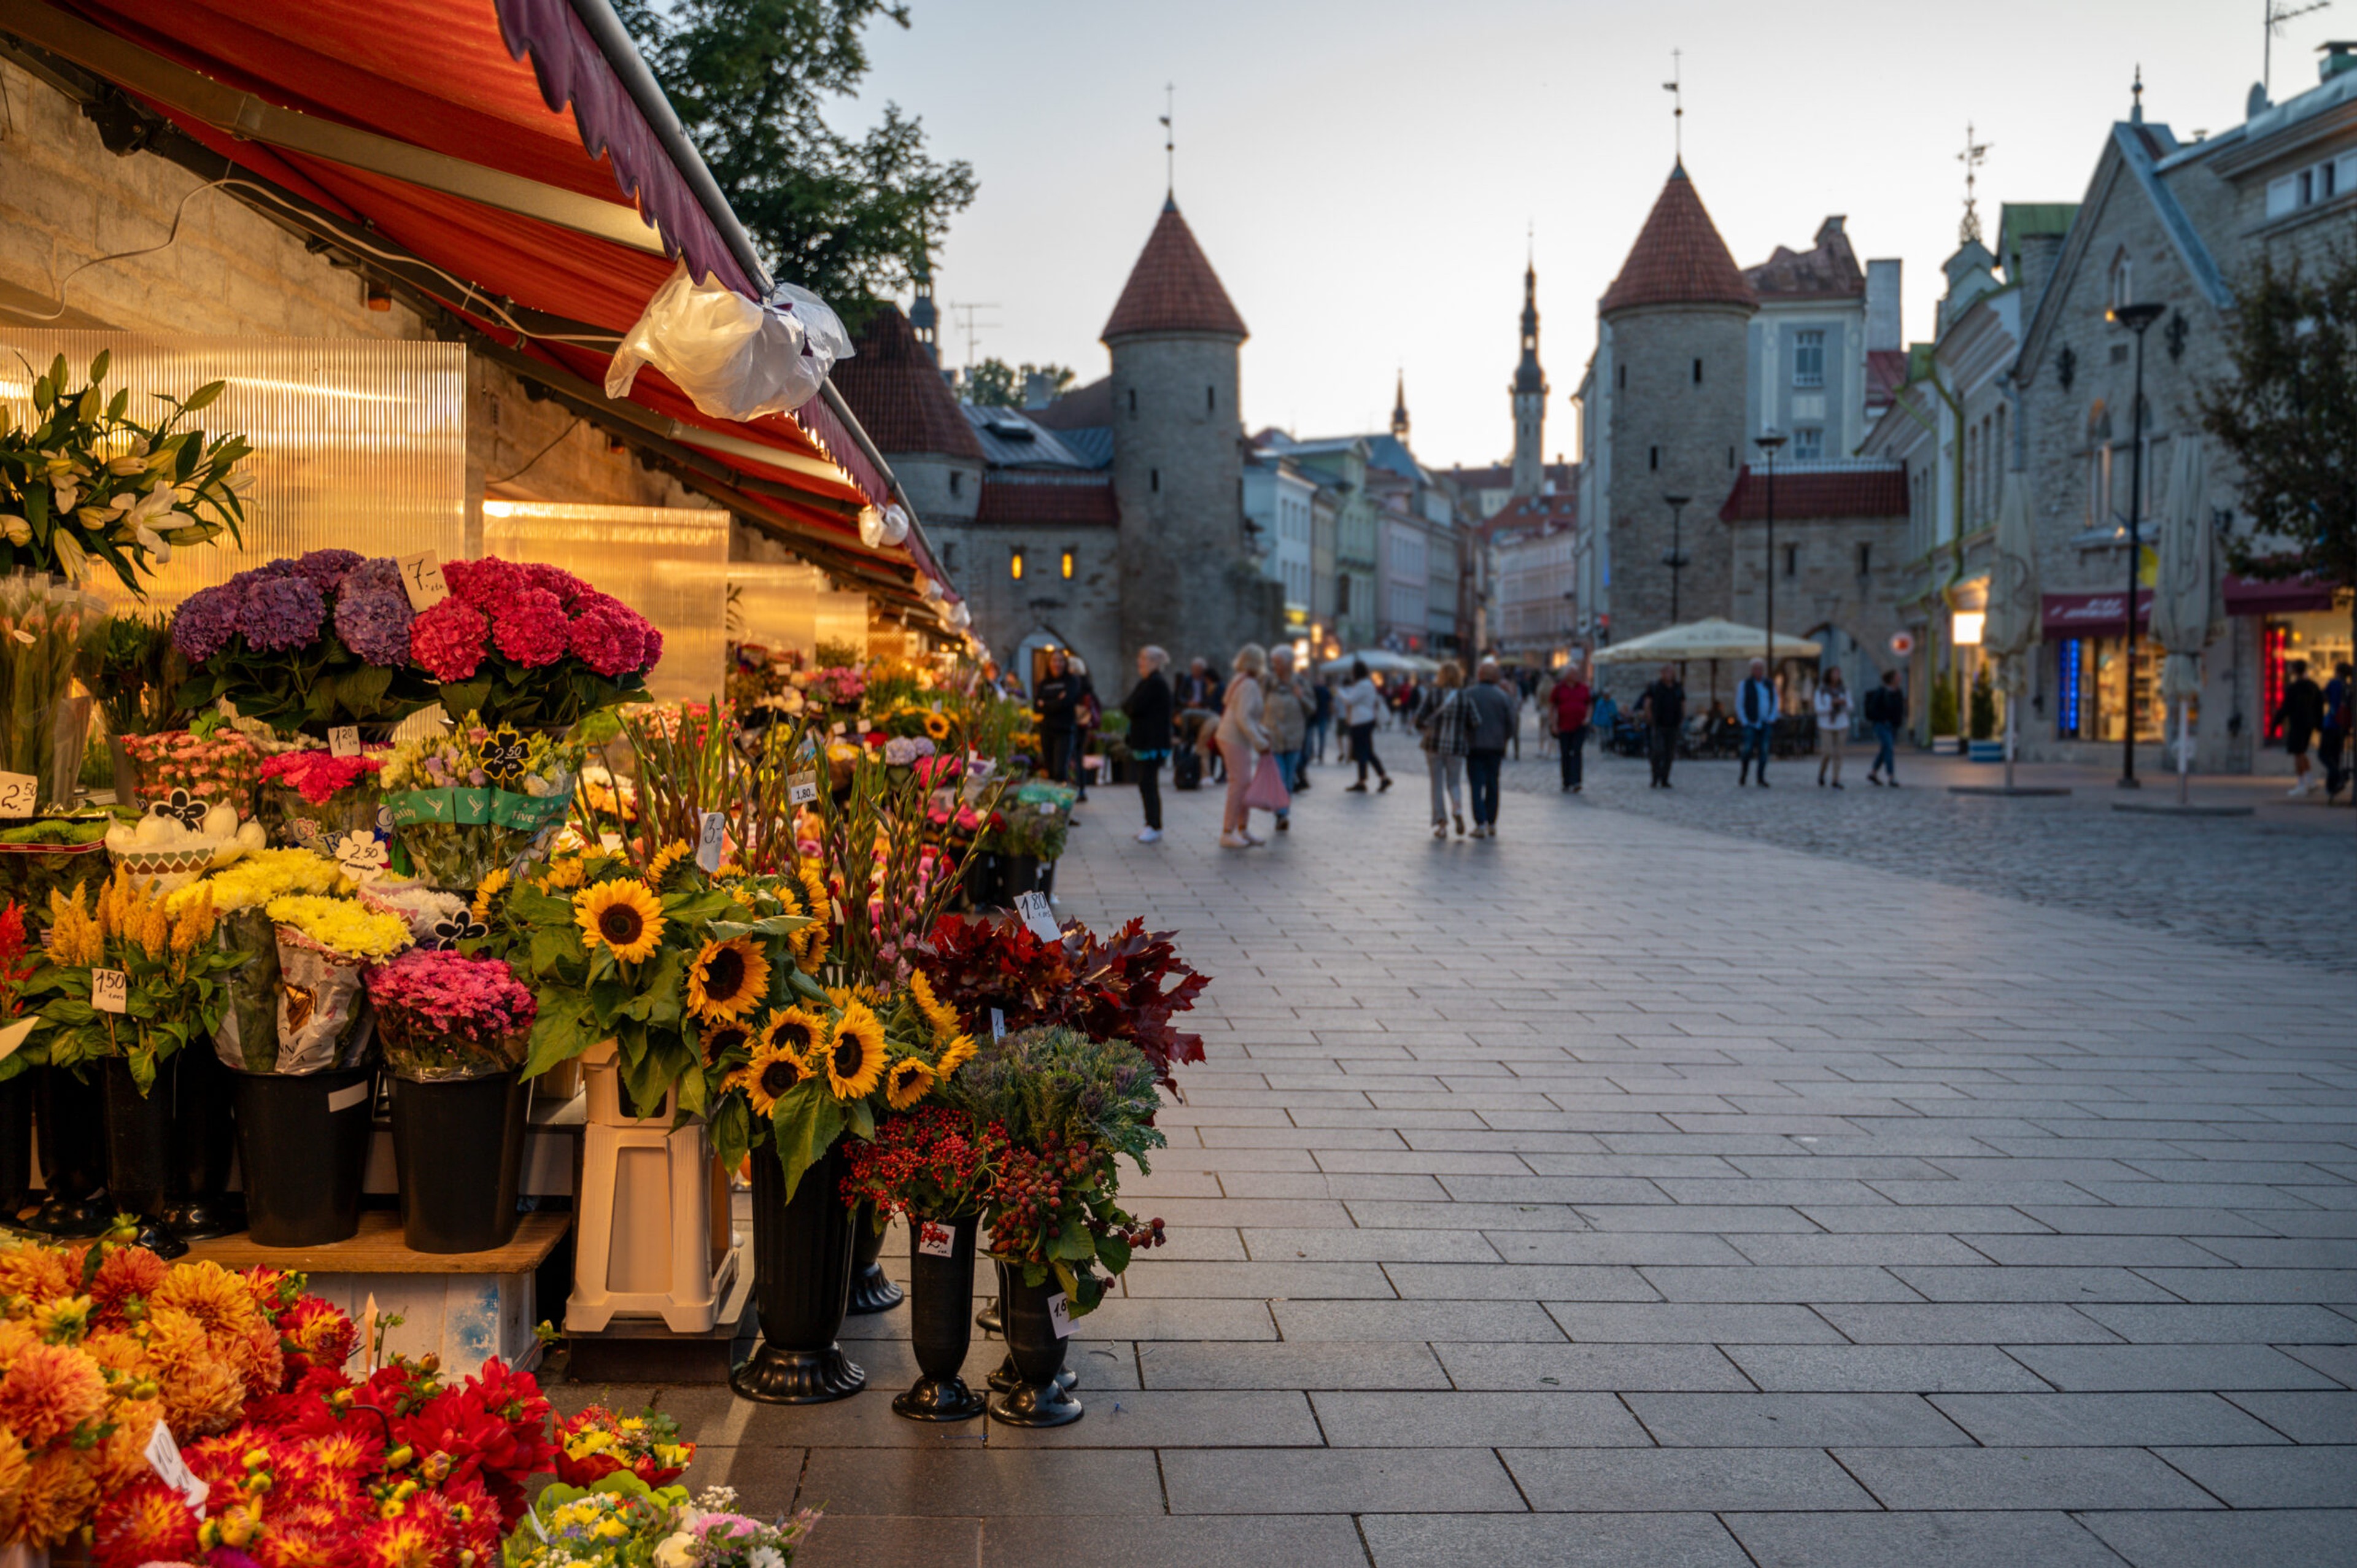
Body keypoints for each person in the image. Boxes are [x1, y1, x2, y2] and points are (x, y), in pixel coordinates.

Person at [1212, 644, 1273, 848]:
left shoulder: (1241, 680)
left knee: (1243, 783)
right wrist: (1260, 741)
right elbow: (1243, 718)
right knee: (1239, 784)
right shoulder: (1250, 685)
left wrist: (1261, 733)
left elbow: (1243, 716)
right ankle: (1228, 831)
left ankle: (1242, 829)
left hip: (1233, 737)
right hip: (1234, 738)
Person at [1122, 646, 1174, 843]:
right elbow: (1128, 706)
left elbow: (1134, 706)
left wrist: (1132, 708)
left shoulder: (1155, 683)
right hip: (1146, 742)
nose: (1139, 663)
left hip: (1152, 743)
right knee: (1145, 784)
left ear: (1153, 662)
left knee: (1148, 784)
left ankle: (1154, 825)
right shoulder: (1147, 682)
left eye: (1143, 659)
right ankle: (1150, 823)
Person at [1461, 658, 1519, 836]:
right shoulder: (1503, 697)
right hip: (1495, 746)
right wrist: (1504, 739)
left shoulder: (1469, 694)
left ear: (1479, 676)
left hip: (1474, 746)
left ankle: (1480, 823)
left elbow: (1462, 721)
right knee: (1493, 783)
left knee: (1476, 785)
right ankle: (1492, 822)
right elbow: (1512, 723)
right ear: (1496, 678)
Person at [1415, 661, 1469, 838]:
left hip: (1434, 745)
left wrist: (1427, 729)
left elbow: (1419, 718)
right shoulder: (1464, 696)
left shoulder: (1434, 694)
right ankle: (1458, 809)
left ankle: (1442, 824)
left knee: (1436, 784)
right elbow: (1475, 721)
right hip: (1456, 746)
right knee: (1454, 782)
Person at [1263, 646, 1312, 832]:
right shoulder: (1268, 682)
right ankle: (1282, 814)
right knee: (1280, 778)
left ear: (1289, 664)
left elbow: (1311, 708)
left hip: (1294, 738)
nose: (1274, 666)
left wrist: (1301, 698)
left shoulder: (1300, 682)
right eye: (1274, 662)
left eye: (1278, 663)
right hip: (1273, 737)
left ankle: (1283, 812)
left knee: (1289, 779)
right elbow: (1259, 704)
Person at [1338, 660, 1391, 792]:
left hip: (1361, 721)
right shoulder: (1367, 684)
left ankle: (1373, 779)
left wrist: (1339, 692)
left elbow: (1349, 700)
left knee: (1364, 751)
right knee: (1366, 751)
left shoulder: (1363, 685)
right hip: (1365, 720)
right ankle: (1375, 778)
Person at [2277, 658, 2326, 797]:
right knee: (2302, 752)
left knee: (2298, 753)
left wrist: (2276, 722)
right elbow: (2319, 705)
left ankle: (2301, 785)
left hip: (2298, 724)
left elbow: (2286, 707)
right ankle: (2310, 781)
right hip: (2309, 724)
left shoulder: (2294, 688)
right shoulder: (2313, 686)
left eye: (2291, 667)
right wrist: (2319, 724)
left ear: (2295, 670)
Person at [1032, 649, 1079, 786]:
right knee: (1050, 769)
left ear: (1065, 663)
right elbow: (1036, 707)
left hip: (1064, 730)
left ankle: (1061, 797)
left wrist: (1046, 703)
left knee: (1060, 770)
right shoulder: (1044, 683)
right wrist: (1056, 701)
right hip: (1047, 730)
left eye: (1060, 661)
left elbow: (1066, 702)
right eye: (1054, 660)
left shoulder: (1071, 681)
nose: (1057, 664)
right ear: (1049, 663)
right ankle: (1053, 801)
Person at [1636, 663, 1685, 789]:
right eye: (1667, 672)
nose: (1669, 674)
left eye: (1671, 672)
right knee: (1658, 751)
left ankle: (1665, 778)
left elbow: (1682, 702)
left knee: (1669, 753)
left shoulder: (1678, 687)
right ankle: (1655, 777)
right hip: (1659, 724)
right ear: (1662, 673)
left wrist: (1681, 718)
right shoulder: (1655, 687)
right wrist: (1650, 718)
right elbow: (1648, 703)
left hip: (1673, 724)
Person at [1547, 662, 1592, 793]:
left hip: (1580, 725)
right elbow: (1552, 707)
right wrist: (1553, 724)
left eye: (1577, 673)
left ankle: (1577, 780)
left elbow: (1589, 704)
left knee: (1577, 751)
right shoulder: (1559, 688)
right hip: (1564, 726)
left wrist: (1588, 718)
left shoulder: (1583, 688)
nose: (1576, 676)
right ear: (1566, 675)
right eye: (1573, 673)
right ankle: (1566, 781)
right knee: (1566, 753)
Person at [1862, 668, 1907, 787]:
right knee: (1889, 748)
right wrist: (1883, 718)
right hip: (1882, 725)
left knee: (1885, 750)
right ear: (1892, 679)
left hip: (1893, 726)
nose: (1900, 678)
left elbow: (1900, 709)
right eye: (1898, 676)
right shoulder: (1881, 692)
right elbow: (1873, 709)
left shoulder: (1898, 692)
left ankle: (1873, 773)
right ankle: (1891, 776)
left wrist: (1898, 722)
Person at [1735, 658, 1776, 787]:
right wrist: (1744, 720)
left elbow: (1775, 701)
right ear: (1752, 670)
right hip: (1751, 723)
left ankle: (1761, 777)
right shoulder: (1745, 684)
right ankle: (1744, 773)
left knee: (1764, 751)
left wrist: (1772, 717)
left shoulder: (1769, 684)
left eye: (1760, 668)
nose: (1758, 671)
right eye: (1756, 668)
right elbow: (1740, 703)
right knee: (1747, 750)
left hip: (1765, 722)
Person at [1068, 655, 1100, 805]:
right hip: (1084, 725)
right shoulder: (1086, 683)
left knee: (1072, 757)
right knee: (1079, 757)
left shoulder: (1074, 683)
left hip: (1074, 724)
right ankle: (1081, 789)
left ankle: (1074, 788)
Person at [1814, 667, 1852, 789]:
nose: (1837, 676)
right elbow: (1819, 709)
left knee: (1838, 753)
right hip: (1826, 724)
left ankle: (1836, 779)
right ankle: (1822, 773)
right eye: (1834, 674)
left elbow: (1851, 707)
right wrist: (1832, 704)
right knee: (1828, 752)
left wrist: (1844, 703)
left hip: (1842, 724)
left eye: (1838, 674)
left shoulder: (1844, 690)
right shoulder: (1821, 691)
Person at [2320, 661, 2351, 803]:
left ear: (2338, 671)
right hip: (2343, 726)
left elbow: (2324, 697)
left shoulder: (2334, 684)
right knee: (2335, 756)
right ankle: (2331, 788)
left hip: (2332, 723)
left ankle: (2337, 777)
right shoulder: (2350, 686)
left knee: (2324, 755)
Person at [1308, 678, 1334, 767]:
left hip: (1313, 716)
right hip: (1323, 715)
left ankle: (1311, 753)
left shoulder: (1313, 690)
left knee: (1311, 736)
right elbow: (1330, 703)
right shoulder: (1326, 691)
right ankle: (1320, 755)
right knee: (1322, 736)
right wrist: (1330, 714)